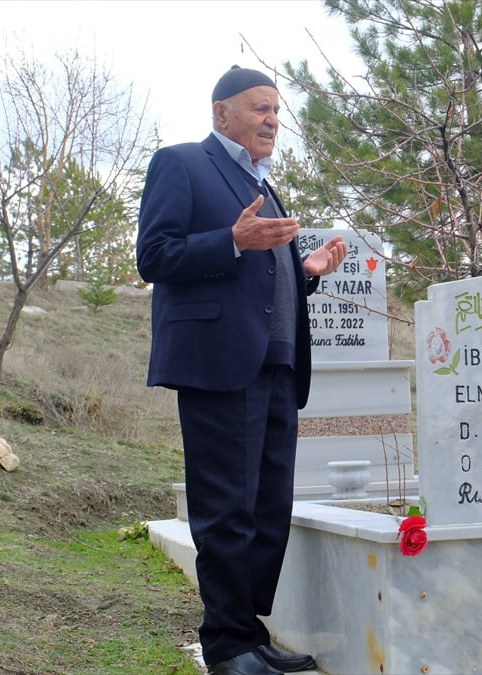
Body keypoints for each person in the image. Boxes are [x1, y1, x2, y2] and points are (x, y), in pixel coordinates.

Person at [136, 65, 347, 675]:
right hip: (218, 365)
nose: (272, 120)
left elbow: (262, 278)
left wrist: (304, 272)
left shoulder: (264, 185)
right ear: (221, 112)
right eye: (260, 108)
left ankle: (248, 635)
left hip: (277, 365)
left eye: (277, 110)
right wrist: (231, 239)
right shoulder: (182, 164)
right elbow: (154, 256)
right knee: (226, 509)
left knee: (265, 509)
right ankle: (226, 647)